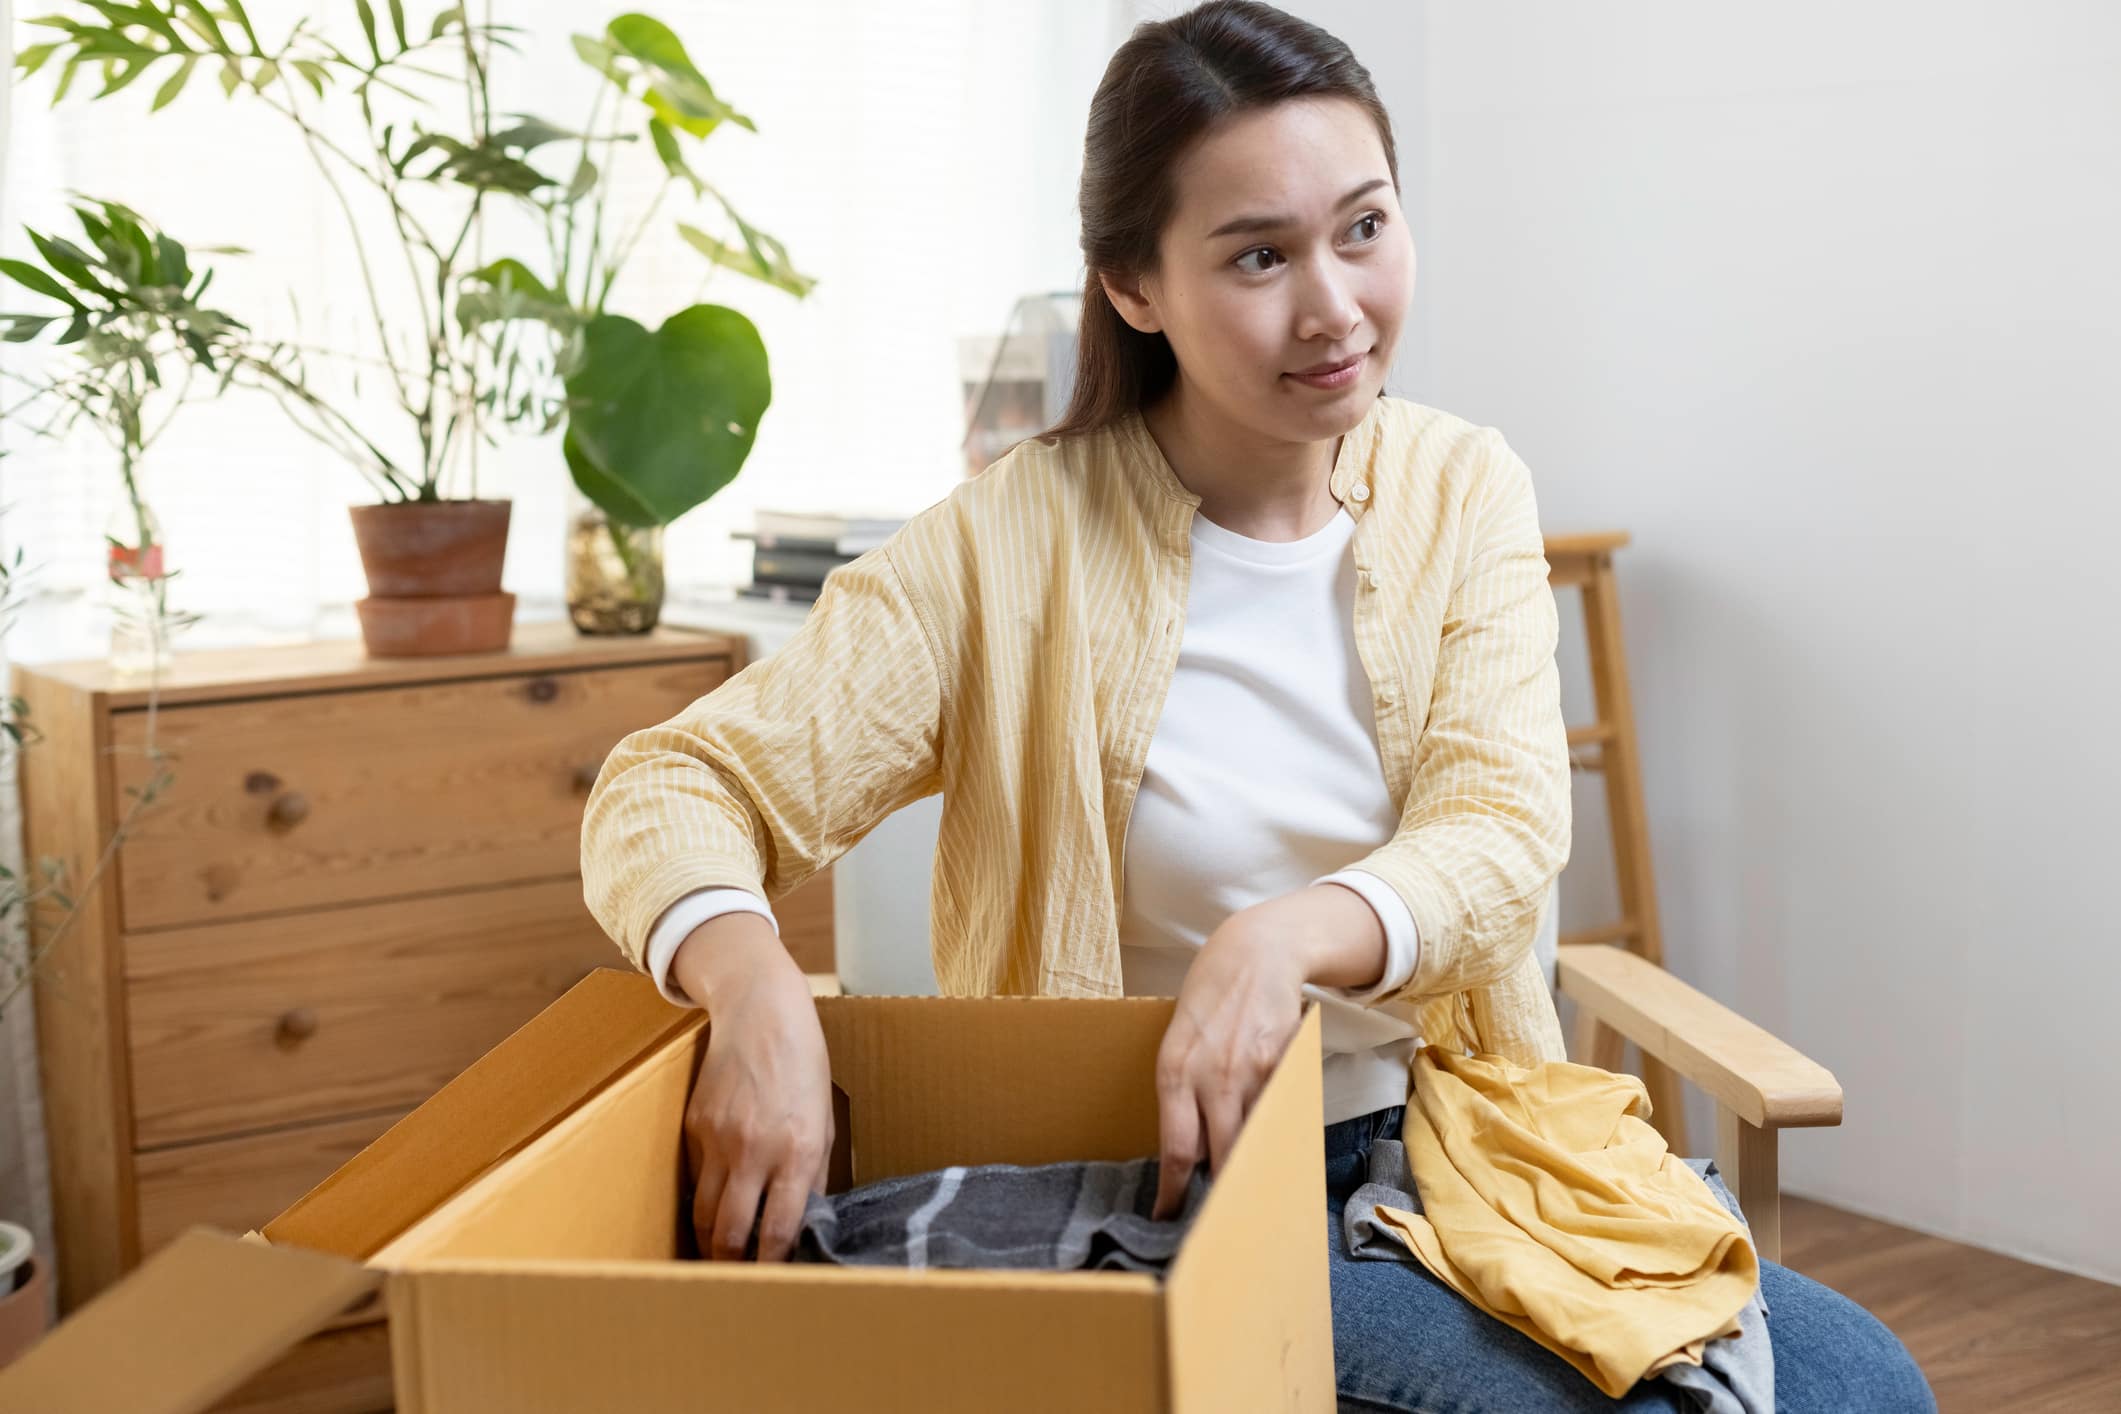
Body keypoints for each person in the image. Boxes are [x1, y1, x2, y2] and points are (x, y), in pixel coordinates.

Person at [580, 3, 1935, 1408]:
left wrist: (1281, 940)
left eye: (1362, 227)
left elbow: (1500, 824)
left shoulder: (1462, 487)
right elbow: (672, 788)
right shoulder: (1006, 546)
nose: (1334, 307)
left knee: (1869, 1386)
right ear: (1131, 285)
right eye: (1257, 256)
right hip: (1155, 1194)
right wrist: (750, 990)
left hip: (1449, 1143)